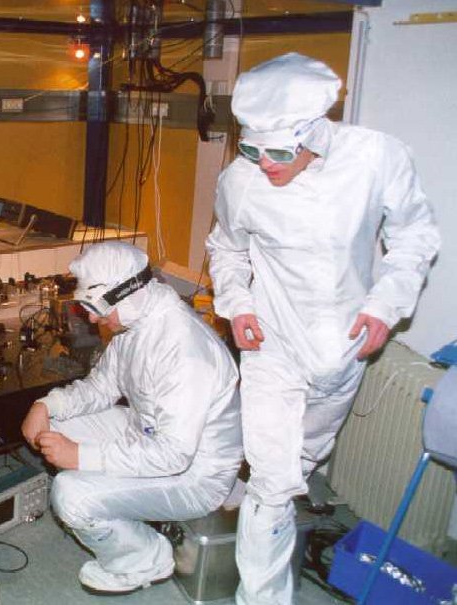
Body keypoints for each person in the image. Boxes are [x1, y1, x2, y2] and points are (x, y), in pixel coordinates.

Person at [205, 53, 440, 605]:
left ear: (317, 132)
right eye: (251, 149)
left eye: (281, 152)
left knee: (301, 462)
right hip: (271, 344)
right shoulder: (240, 180)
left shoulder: (376, 157)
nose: (266, 165)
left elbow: (415, 236)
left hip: (342, 349)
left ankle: (277, 492)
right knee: (270, 480)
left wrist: (386, 304)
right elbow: (226, 248)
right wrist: (238, 304)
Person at [20, 241, 243, 594]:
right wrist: (47, 405)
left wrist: (83, 456)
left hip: (196, 473)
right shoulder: (134, 324)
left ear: (125, 293)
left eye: (94, 307)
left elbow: (173, 455)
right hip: (147, 430)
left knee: (71, 495)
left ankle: (145, 560)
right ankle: (129, 510)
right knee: (56, 430)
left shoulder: (184, 349)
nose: (91, 318)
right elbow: (102, 386)